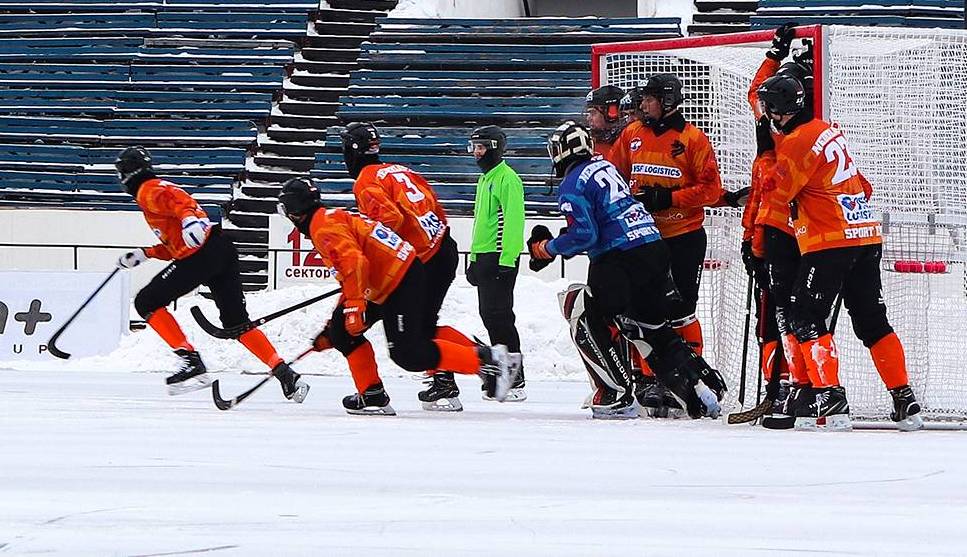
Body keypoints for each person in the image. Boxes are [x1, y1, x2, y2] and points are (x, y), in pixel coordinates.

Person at [755, 74, 923, 431]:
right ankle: (904, 399)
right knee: (871, 321)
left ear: (780, 111)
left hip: (830, 240)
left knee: (803, 314)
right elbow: (864, 185)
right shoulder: (825, 129)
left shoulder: (797, 142)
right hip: (865, 235)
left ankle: (829, 396)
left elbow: (776, 192)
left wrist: (767, 154)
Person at [527, 121, 726, 420]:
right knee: (651, 327)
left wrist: (548, 249)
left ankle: (614, 394)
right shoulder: (604, 166)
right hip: (653, 248)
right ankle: (703, 388)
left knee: (582, 309)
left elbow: (586, 235)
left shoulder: (573, 182)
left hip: (620, 256)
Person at [277, 177, 518, 415]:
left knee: (409, 354)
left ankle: (490, 362)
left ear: (294, 213)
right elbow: (351, 274)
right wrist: (336, 322)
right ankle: (371, 394)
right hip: (388, 278)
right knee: (341, 330)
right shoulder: (328, 219)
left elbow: (355, 264)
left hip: (399, 280)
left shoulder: (323, 228)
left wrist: (355, 306)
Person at [113, 146, 308, 402]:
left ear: (127, 173)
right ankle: (284, 372)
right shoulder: (155, 190)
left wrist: (188, 219)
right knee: (237, 323)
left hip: (201, 256)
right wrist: (146, 253)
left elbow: (179, 204)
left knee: (146, 302)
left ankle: (190, 361)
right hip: (220, 248)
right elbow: (178, 244)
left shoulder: (147, 190)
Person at [333, 121, 471, 412]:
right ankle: (451, 378)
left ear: (352, 152)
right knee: (423, 326)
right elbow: (434, 205)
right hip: (442, 247)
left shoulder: (366, 181)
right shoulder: (400, 170)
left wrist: (373, 257)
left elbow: (389, 221)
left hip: (421, 260)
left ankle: (490, 362)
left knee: (410, 335)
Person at [606, 73, 724, 413]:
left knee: (681, 310)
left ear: (668, 101)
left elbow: (710, 190)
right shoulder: (631, 135)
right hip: (644, 239)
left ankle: (693, 378)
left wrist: (667, 197)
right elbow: (613, 176)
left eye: (650, 99)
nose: (642, 104)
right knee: (647, 311)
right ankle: (655, 379)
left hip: (684, 237)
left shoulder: (694, 141)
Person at [740, 23, 817, 426]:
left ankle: (794, 385)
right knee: (782, 311)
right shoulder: (805, 123)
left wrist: (774, 52)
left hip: (781, 222)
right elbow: (758, 93)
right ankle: (792, 384)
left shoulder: (790, 138)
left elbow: (756, 91)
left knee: (783, 310)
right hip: (780, 220)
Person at [466, 125, 527, 402]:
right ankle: (500, 370)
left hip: (500, 257)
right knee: (489, 316)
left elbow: (512, 222)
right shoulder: (485, 179)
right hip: (486, 256)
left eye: (481, 147)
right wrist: (475, 259)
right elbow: (484, 223)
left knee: (501, 316)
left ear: (495, 147)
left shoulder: (507, 178)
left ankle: (516, 378)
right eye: (474, 147)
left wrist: (506, 259)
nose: (477, 153)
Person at [584, 85, 627, 158]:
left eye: (593, 113)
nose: (588, 118)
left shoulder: (629, 142)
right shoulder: (588, 145)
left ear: (612, 113)